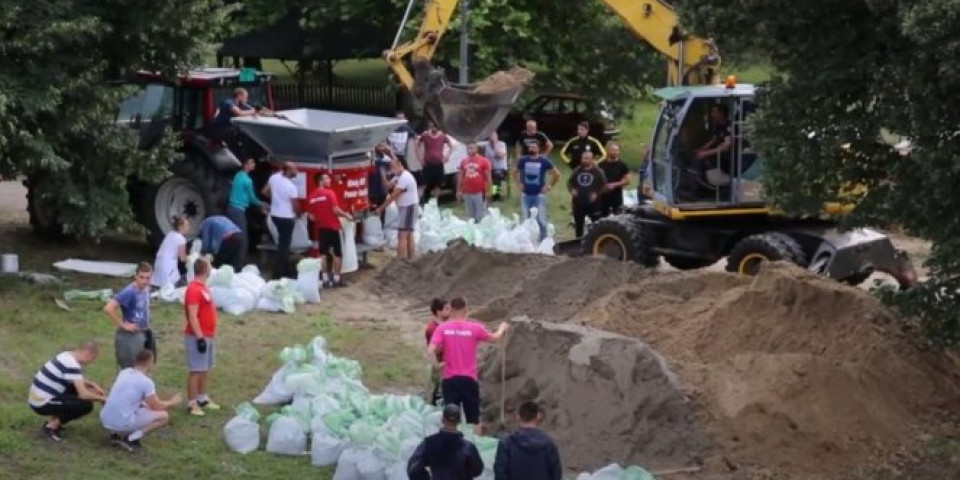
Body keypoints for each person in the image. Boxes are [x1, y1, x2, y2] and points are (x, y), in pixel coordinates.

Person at [428, 297, 509, 435]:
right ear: (466, 310)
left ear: (451, 310)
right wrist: (502, 328)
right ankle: (476, 448)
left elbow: (431, 350)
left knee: (450, 417)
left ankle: (451, 446)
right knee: (475, 419)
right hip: (469, 380)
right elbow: (494, 338)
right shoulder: (474, 328)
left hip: (450, 380)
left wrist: (437, 365)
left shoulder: (443, 328)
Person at [100, 350, 181, 452]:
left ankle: (114, 434)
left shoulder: (124, 372)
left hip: (105, 420)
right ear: (150, 362)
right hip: (122, 423)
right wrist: (172, 402)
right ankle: (132, 438)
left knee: (137, 407)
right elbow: (157, 406)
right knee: (164, 416)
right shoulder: (146, 382)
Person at [28, 341, 106, 442]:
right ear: (88, 354)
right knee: (85, 405)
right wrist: (104, 399)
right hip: (41, 403)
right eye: (92, 359)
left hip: (38, 396)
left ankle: (53, 420)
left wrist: (92, 384)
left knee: (76, 390)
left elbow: (74, 379)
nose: (90, 362)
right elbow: (84, 395)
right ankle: (50, 427)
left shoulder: (66, 355)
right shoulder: (72, 365)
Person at [407, 403, 485, 480]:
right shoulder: (468, 447)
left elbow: (413, 467)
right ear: (459, 421)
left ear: (442, 420)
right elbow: (477, 470)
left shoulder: (429, 443)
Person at [183, 257, 220, 416]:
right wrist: (199, 337)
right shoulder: (193, 289)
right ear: (205, 269)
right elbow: (192, 316)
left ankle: (202, 397)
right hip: (198, 336)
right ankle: (192, 403)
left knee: (205, 368)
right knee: (196, 370)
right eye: (210, 266)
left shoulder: (203, 288)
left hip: (209, 334)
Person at [305, 172, 353, 288]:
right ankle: (336, 279)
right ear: (321, 181)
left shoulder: (311, 196)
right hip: (333, 227)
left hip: (321, 228)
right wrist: (346, 215)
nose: (330, 180)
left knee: (323, 254)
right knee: (337, 253)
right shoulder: (329, 193)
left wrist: (320, 218)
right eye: (327, 178)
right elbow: (335, 210)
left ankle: (325, 279)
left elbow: (310, 216)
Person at [104, 262, 155, 369]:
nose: (144, 281)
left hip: (144, 332)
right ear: (135, 276)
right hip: (130, 336)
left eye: (148, 278)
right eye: (141, 277)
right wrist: (123, 325)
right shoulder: (129, 292)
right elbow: (108, 308)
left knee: (143, 366)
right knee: (130, 368)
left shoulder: (146, 289)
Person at [493, 402, 562, 480]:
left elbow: (500, 473)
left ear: (518, 417)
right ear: (538, 416)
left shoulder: (506, 443)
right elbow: (556, 474)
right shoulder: (549, 444)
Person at [262, 161, 301, 279]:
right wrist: (298, 214)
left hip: (275, 215)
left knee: (281, 243)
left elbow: (264, 191)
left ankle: (283, 269)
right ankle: (279, 273)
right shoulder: (291, 187)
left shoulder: (274, 178)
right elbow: (295, 205)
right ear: (288, 171)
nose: (297, 171)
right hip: (287, 218)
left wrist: (275, 200)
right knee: (284, 247)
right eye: (295, 169)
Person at [514, 142, 560, 242]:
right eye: (530, 147)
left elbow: (557, 174)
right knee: (524, 217)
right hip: (525, 194)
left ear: (539, 149)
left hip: (539, 195)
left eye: (534, 147)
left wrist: (549, 186)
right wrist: (518, 183)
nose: (531, 148)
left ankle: (543, 239)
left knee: (540, 219)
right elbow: (515, 171)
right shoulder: (523, 160)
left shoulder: (543, 161)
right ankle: (525, 240)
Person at [375, 158, 419, 259]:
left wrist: (380, 209)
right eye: (391, 167)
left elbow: (393, 196)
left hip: (409, 207)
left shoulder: (405, 178)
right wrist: (382, 174)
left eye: (393, 167)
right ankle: (411, 257)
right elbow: (387, 186)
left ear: (400, 165)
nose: (392, 169)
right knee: (408, 233)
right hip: (406, 207)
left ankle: (400, 259)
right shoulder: (398, 176)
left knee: (402, 234)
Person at [227, 158, 266, 267]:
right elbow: (252, 198)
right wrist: (262, 204)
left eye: (254, 162)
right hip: (239, 209)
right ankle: (239, 265)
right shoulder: (248, 180)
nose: (253, 165)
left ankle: (231, 261)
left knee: (234, 236)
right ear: (245, 165)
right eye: (251, 163)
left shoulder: (238, 175)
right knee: (243, 239)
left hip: (231, 208)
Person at [567, 151, 608, 238]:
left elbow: (604, 186)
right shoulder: (577, 170)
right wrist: (572, 190)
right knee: (578, 227)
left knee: (596, 227)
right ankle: (578, 244)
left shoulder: (598, 171)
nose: (583, 160)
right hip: (578, 204)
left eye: (586, 158)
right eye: (582, 158)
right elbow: (569, 183)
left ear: (592, 159)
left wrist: (597, 193)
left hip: (594, 204)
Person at [416, 123, 454, 206]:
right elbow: (417, 145)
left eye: (436, 126)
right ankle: (417, 203)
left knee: (438, 184)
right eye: (433, 126)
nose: (434, 128)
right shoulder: (425, 135)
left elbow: (451, 146)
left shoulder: (442, 136)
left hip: (439, 164)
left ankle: (435, 202)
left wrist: (447, 156)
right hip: (427, 165)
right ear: (430, 126)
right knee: (423, 184)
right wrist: (420, 159)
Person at [150, 216, 190, 289]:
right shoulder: (181, 239)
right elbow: (182, 258)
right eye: (187, 226)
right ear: (180, 227)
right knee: (179, 282)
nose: (188, 228)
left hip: (159, 263)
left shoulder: (170, 234)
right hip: (168, 265)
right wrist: (192, 257)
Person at [457, 143, 492, 223]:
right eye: (468, 148)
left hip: (479, 192)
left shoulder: (484, 161)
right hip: (467, 193)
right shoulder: (463, 161)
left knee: (481, 217)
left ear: (476, 149)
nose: (469, 150)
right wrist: (459, 191)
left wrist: (489, 192)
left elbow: (489, 179)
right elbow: (460, 177)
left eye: (472, 148)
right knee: (470, 218)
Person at [425, 298, 450, 406]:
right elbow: (434, 350)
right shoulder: (432, 329)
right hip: (440, 365)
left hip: (448, 365)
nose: (450, 311)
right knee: (438, 395)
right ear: (439, 312)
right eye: (447, 309)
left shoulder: (446, 325)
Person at [695, 103, 733, 172]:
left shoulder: (729, 127)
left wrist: (705, 153)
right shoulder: (719, 126)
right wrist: (703, 148)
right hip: (718, 154)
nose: (712, 115)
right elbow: (715, 138)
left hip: (728, 158)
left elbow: (726, 147)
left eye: (714, 112)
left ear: (721, 114)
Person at [598, 142, 632, 216]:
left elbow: (628, 180)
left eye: (617, 150)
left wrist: (614, 185)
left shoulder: (623, 165)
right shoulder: (601, 165)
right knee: (603, 218)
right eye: (613, 150)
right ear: (607, 150)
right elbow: (596, 179)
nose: (615, 152)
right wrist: (604, 187)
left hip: (617, 196)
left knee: (619, 217)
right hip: (603, 196)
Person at [480, 132, 509, 201]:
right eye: (490, 137)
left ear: (497, 137)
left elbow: (500, 155)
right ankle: (483, 195)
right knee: (480, 175)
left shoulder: (502, 144)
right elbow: (475, 143)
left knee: (496, 176)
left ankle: (496, 195)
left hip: (501, 169)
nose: (491, 138)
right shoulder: (486, 144)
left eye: (493, 136)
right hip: (489, 169)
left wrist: (495, 144)